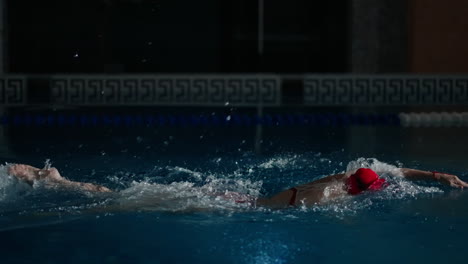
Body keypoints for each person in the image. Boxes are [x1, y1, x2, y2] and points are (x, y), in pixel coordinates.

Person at [6, 163, 468, 209]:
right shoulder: (331, 200)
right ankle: (55, 180)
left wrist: (435, 176)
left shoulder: (335, 179)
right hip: (239, 207)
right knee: (129, 203)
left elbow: (389, 169)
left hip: (241, 199)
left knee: (134, 197)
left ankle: (58, 180)